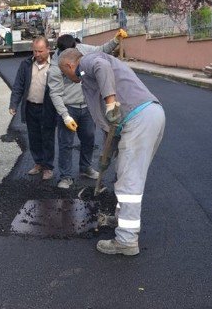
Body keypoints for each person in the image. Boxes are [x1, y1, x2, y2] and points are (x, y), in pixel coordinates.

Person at [58, 48, 165, 256]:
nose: (66, 77)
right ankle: (121, 218)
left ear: (70, 65)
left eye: (65, 73)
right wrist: (106, 157)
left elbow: (102, 67)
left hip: (138, 118)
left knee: (129, 181)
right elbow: (112, 127)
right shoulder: (87, 79)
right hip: (147, 116)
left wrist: (110, 102)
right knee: (123, 174)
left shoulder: (88, 62)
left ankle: (126, 240)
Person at [47, 29, 127, 189]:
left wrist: (115, 40)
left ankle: (85, 168)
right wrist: (65, 116)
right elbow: (55, 93)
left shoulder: (81, 50)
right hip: (68, 107)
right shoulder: (55, 67)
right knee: (65, 144)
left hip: (87, 105)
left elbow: (100, 50)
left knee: (89, 139)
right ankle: (66, 176)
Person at [9, 36, 56, 180]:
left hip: (48, 108)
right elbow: (18, 85)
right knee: (34, 137)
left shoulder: (55, 66)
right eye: (35, 51)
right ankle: (38, 163)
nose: (37, 54)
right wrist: (13, 104)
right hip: (30, 107)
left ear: (48, 49)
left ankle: (48, 167)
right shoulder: (26, 64)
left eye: (40, 51)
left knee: (47, 137)